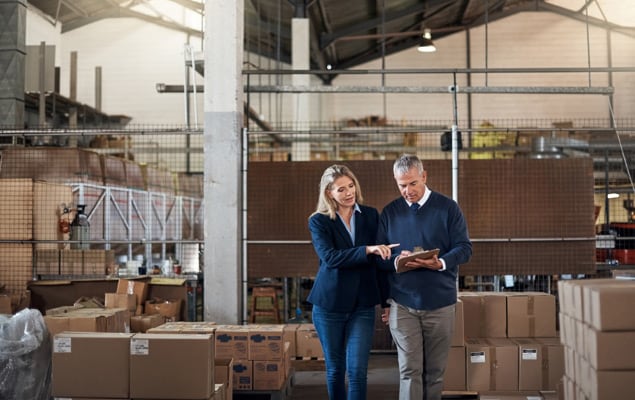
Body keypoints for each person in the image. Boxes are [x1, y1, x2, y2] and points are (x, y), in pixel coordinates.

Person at [377, 154, 472, 400]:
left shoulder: (448, 208)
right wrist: (395, 259)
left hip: (440, 304)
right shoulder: (389, 213)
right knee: (409, 370)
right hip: (403, 304)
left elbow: (464, 248)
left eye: (412, 183)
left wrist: (439, 262)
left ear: (424, 177)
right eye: (401, 185)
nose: (407, 191)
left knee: (435, 373)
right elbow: (378, 256)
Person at [307, 164, 396, 400]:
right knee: (336, 370)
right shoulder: (319, 221)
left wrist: (386, 301)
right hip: (329, 305)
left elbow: (379, 262)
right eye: (340, 189)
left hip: (362, 305)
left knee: (358, 371)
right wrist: (367, 249)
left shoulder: (370, 215)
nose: (349, 193)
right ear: (329, 193)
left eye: (351, 186)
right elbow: (330, 258)